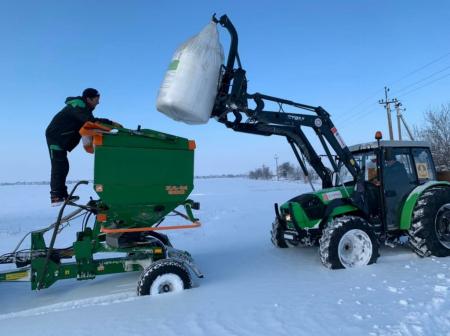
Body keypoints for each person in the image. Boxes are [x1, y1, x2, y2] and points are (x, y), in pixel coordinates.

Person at [45, 88, 119, 206]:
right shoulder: (78, 107)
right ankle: (56, 196)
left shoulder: (83, 108)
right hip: (56, 137)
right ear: (89, 98)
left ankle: (62, 195)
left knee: (63, 166)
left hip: (60, 138)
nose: (98, 103)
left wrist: (109, 123)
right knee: (59, 166)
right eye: (96, 99)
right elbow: (90, 122)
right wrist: (110, 123)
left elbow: (89, 122)